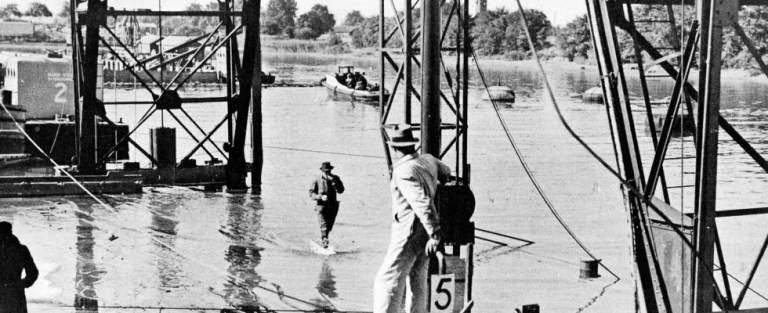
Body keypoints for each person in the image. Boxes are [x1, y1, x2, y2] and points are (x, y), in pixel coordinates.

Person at [373, 125, 450, 313]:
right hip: (424, 233)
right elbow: (446, 171)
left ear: (394, 148)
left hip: (409, 231)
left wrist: (435, 233)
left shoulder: (403, 171)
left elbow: (421, 202)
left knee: (388, 278)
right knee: (417, 278)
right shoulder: (428, 160)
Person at [0, 221, 38, 313]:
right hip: (15, 294)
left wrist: (21, 285)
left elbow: (33, 272)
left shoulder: (20, 249)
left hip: (14, 294)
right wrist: (21, 285)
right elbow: (33, 272)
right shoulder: (21, 249)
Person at [309, 162, 345, 249]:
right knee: (323, 226)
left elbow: (341, 190)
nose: (327, 173)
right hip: (321, 207)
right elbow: (311, 193)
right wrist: (320, 197)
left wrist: (335, 183)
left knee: (329, 227)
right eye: (325, 171)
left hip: (333, 207)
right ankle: (325, 242)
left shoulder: (335, 178)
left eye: (328, 171)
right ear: (322, 171)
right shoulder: (317, 179)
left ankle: (325, 240)